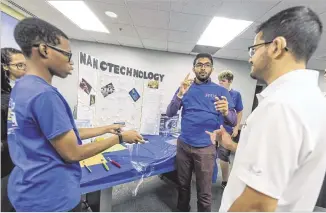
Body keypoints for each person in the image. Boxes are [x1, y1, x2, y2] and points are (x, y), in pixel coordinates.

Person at [7, 17, 143, 212]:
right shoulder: (45, 95)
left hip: (27, 189)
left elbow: (61, 133)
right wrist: (120, 137)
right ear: (45, 50)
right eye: (67, 54)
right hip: (51, 199)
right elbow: (73, 153)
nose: (70, 62)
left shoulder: (23, 87)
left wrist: (105, 128)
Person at [206, 6, 326, 212]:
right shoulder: (314, 100)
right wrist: (233, 146)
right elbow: (284, 167)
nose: (251, 58)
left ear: (276, 46)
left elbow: (258, 204)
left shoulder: (281, 106)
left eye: (254, 49)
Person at [166, 53, 237, 212]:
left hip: (206, 147)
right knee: (183, 186)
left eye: (207, 64)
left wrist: (226, 112)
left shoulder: (220, 91)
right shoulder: (185, 87)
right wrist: (179, 95)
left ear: (212, 69)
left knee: (204, 191)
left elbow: (232, 121)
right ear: (193, 68)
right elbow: (170, 112)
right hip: (184, 145)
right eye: (199, 64)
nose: (203, 67)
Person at [1, 47, 26, 212]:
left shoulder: (10, 92)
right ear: (4, 67)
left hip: (14, 162)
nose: (24, 70)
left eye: (25, 65)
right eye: (19, 66)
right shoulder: (4, 100)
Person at [217, 70, 243, 189]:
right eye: (219, 81)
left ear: (230, 81)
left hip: (227, 129)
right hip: (214, 129)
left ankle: (225, 181)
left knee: (223, 155)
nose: (220, 83)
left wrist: (236, 127)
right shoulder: (215, 93)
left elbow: (239, 112)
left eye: (223, 81)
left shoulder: (236, 95)